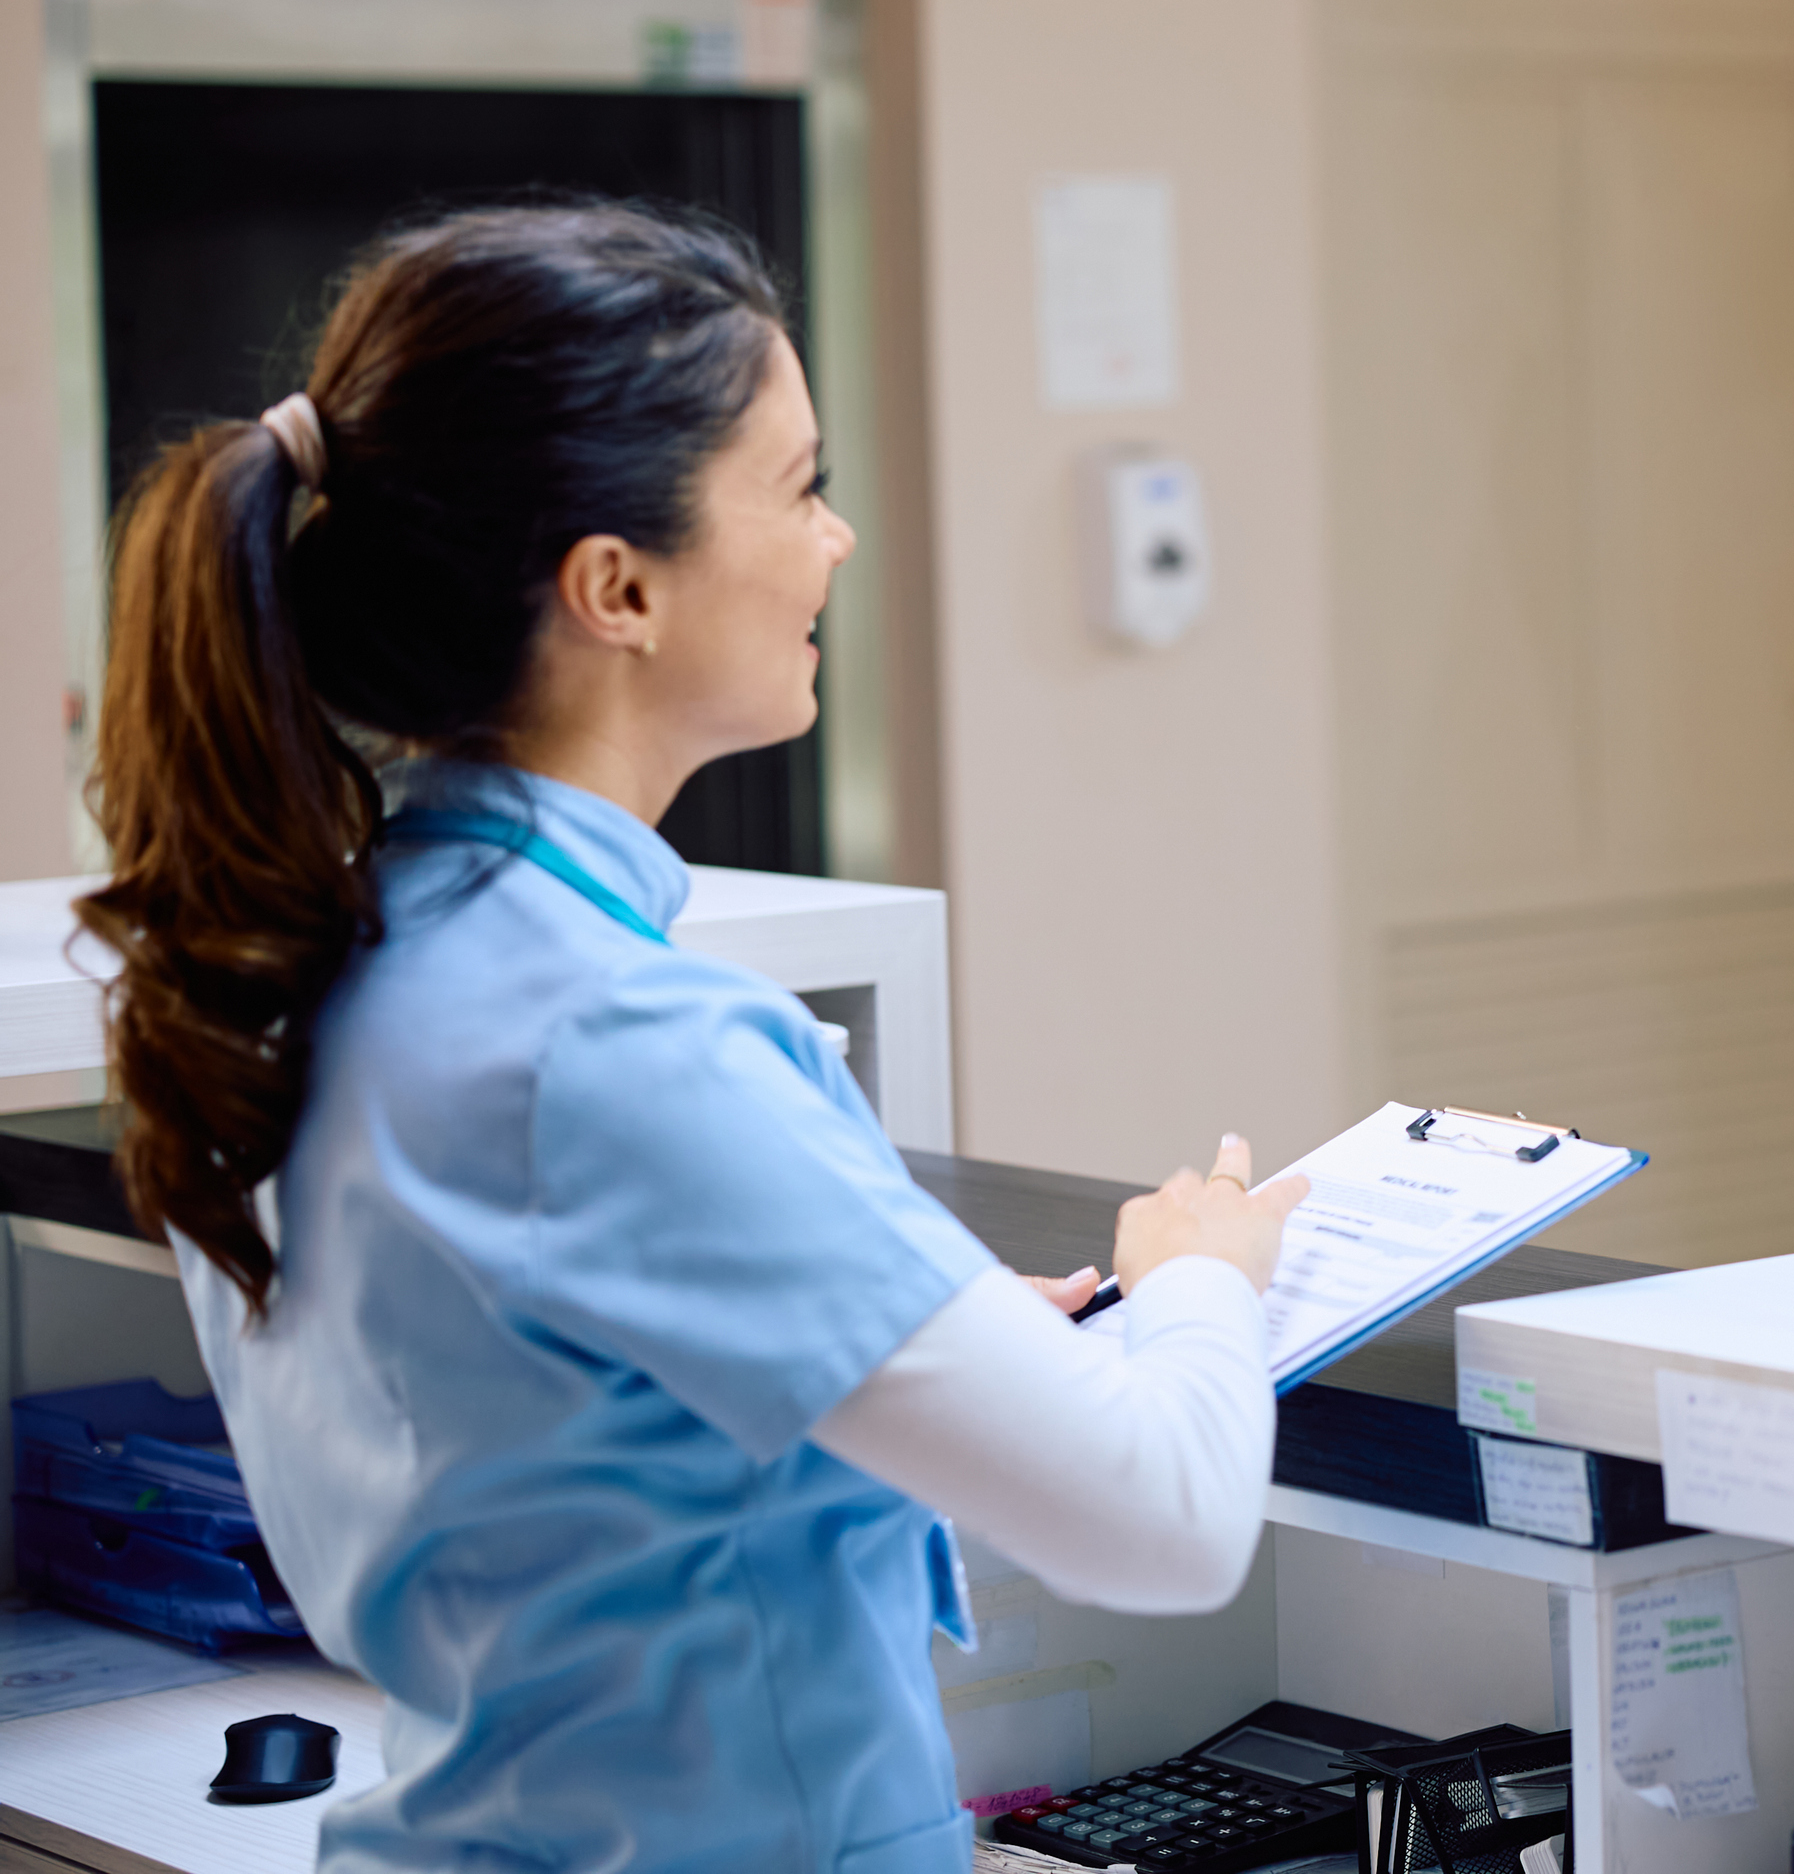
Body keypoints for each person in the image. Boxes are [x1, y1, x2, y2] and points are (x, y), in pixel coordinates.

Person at [74, 203, 1294, 1869]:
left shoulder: (307, 971)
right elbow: (1162, 1518)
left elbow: (539, 1442)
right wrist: (1200, 1274)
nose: (838, 540)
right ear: (616, 587)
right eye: (797, 488)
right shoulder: (624, 1037)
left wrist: (891, 1334)